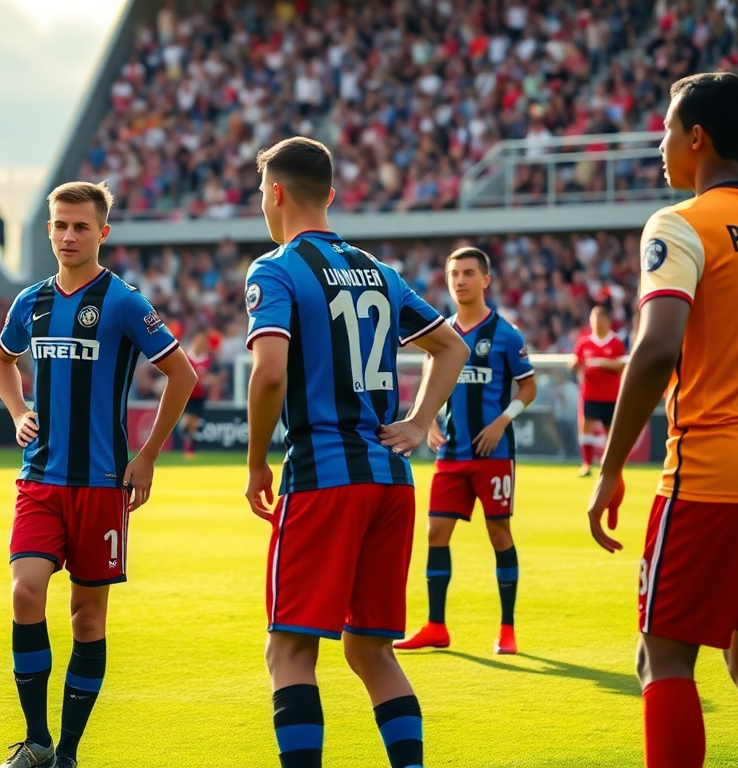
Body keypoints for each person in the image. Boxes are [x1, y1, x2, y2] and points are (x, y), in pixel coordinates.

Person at [587, 72, 738, 768]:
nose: (660, 143)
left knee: (664, 658)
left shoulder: (679, 223)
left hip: (711, 474)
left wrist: (611, 469)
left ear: (696, 138)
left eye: (668, 129)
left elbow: (654, 349)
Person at [242, 137, 468, 768]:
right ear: (332, 196)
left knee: (289, 650)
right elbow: (451, 347)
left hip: (323, 475)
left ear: (278, 193)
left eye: (263, 191)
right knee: (372, 651)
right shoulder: (379, 272)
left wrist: (258, 458)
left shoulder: (277, 268)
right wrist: (419, 422)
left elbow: (268, 375)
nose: (263, 203)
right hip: (390, 481)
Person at [0, 180, 197, 768]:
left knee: (87, 617)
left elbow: (182, 375)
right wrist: (19, 410)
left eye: (81, 226)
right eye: (60, 224)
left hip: (102, 485)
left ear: (103, 233)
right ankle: (36, 740)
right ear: (49, 230)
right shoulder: (30, 301)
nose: (69, 235)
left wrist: (148, 454)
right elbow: (2, 362)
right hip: (41, 481)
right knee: (25, 591)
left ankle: (68, 754)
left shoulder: (125, 302)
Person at [394, 248, 537, 656]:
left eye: (469, 273)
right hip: (452, 454)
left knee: (498, 534)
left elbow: (529, 388)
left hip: (492, 455)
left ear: (485, 280)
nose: (460, 280)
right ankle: (436, 626)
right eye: (454, 273)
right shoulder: (442, 335)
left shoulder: (506, 335)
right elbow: (429, 379)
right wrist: (430, 419)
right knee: (436, 533)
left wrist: (502, 420)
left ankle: (507, 629)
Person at [570, 305, 627, 476]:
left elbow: (621, 365)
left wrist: (601, 363)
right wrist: (577, 369)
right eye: (593, 320)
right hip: (590, 394)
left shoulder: (616, 342)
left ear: (607, 321)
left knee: (611, 431)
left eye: (599, 320)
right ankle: (587, 464)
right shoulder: (584, 342)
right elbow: (576, 362)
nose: (595, 323)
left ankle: (610, 464)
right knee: (586, 427)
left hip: (610, 395)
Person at [179, 332, 213, 458]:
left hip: (200, 395)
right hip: (187, 394)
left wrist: (208, 380)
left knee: (194, 423)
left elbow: (211, 376)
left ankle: (190, 447)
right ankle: (187, 439)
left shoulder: (207, 360)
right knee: (189, 420)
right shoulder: (186, 357)